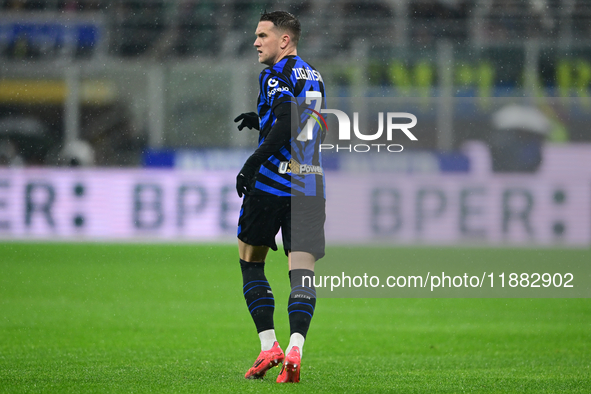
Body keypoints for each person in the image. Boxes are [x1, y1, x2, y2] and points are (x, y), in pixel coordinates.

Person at [234, 10, 326, 384]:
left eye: (262, 35)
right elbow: (310, 124)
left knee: (250, 259)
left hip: (272, 183)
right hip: (310, 186)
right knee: (301, 272)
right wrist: (264, 119)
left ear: (284, 40)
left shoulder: (274, 74)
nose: (256, 42)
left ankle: (269, 344)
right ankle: (296, 349)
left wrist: (253, 161)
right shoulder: (315, 76)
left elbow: (289, 118)